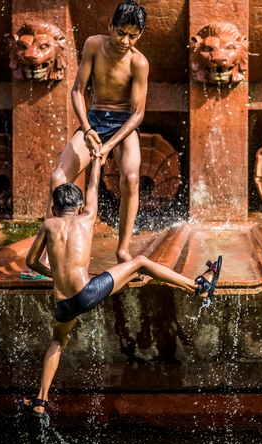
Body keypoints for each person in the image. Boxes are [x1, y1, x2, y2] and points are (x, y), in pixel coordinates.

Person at [20, 153, 222, 420]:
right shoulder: (87, 217)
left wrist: (51, 275)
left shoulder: (48, 224)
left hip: (64, 304)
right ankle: (199, 285)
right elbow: (93, 188)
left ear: (55, 210)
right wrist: (96, 163)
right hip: (88, 293)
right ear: (79, 207)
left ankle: (40, 401)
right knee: (138, 261)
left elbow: (30, 262)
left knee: (57, 340)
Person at [21, 0, 150, 279]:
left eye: (132, 35)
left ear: (140, 36)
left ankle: (123, 249)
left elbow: (138, 114)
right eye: (120, 32)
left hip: (123, 126)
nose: (125, 40)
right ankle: (46, 251)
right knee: (57, 177)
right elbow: (78, 91)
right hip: (93, 121)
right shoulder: (93, 45)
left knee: (130, 178)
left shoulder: (139, 63)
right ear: (110, 27)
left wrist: (110, 145)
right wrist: (88, 130)